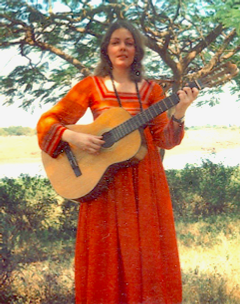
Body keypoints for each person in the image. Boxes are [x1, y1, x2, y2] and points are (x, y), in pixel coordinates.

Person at [37, 20, 198, 304]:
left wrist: (180, 111)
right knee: (105, 251)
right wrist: (74, 136)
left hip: (145, 182)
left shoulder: (152, 90)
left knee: (147, 251)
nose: (122, 47)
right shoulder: (91, 86)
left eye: (129, 42)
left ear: (137, 51)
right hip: (103, 181)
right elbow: (49, 121)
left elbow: (166, 140)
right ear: (106, 50)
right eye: (116, 42)